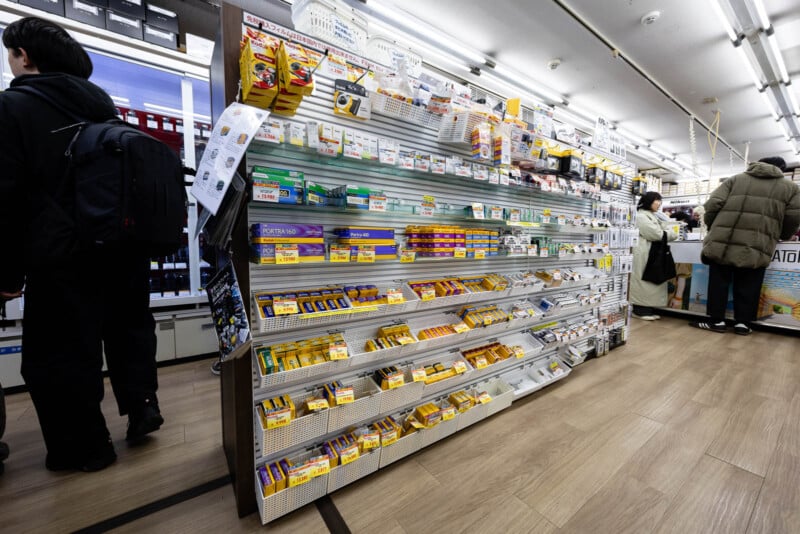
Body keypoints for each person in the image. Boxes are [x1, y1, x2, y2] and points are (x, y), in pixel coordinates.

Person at [0, 17, 163, 472]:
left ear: (25, 57)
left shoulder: (13, 107)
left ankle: (86, 448)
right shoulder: (102, 106)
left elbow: (6, 197)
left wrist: (7, 273)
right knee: (130, 329)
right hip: (124, 246)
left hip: (64, 253)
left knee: (61, 352)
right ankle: (143, 406)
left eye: (11, 54)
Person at [690, 157, 800, 335]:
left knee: (719, 282)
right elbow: (794, 217)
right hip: (757, 243)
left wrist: (713, 226)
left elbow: (713, 204)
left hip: (723, 240)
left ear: (757, 163)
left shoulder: (736, 179)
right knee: (750, 283)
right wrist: (782, 234)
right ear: (781, 169)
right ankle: (743, 324)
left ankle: (716, 321)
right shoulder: (791, 188)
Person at [630, 192, 680, 320]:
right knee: (644, 280)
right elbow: (656, 234)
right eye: (656, 201)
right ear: (648, 201)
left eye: (660, 201)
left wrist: (666, 230)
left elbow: (661, 229)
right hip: (644, 252)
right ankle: (640, 309)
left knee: (650, 279)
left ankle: (646, 308)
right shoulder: (641, 216)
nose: (659, 204)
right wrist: (671, 233)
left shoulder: (650, 216)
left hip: (650, 251)